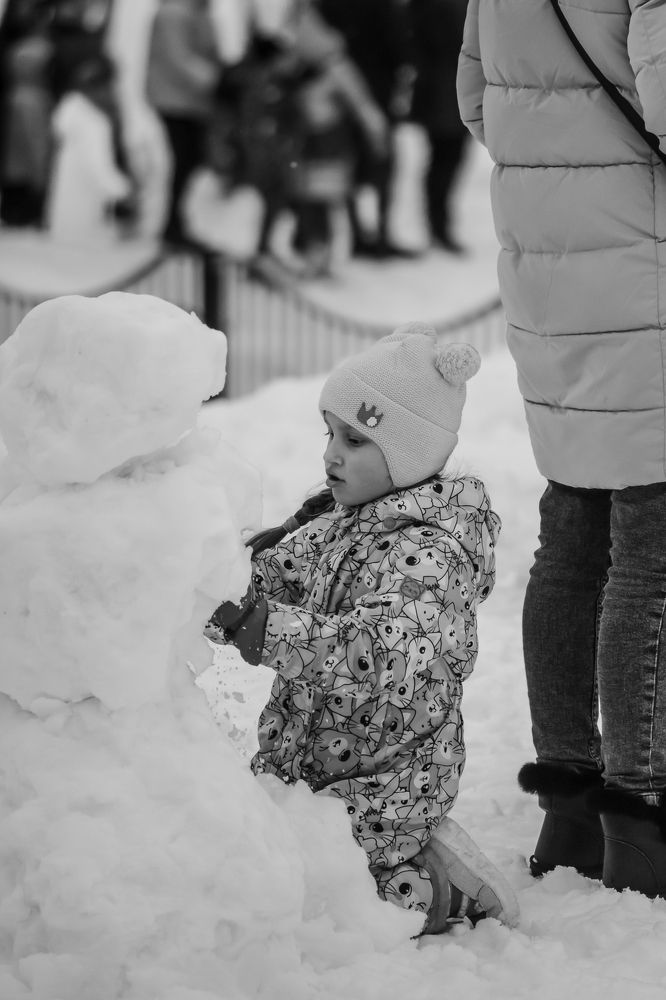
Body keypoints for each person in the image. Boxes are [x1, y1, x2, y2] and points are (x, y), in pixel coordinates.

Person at [204, 322, 519, 934]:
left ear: (408, 455)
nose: (331, 454)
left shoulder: (432, 557)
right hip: (304, 760)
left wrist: (260, 628)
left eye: (354, 440)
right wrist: (214, 581)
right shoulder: (338, 522)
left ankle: (442, 886)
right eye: (330, 433)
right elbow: (275, 578)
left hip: (384, 788)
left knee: (332, 900)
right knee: (250, 864)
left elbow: (374, 652)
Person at [457, 0, 666, 898]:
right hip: (643, 258)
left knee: (574, 528)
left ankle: (570, 808)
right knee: (652, 546)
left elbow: (476, 96)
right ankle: (643, 815)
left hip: (550, 261)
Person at [145, 0, 222, 245]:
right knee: (184, 160)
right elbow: (178, 57)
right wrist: (215, 79)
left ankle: (179, 221)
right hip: (175, 100)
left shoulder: (199, 13)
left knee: (190, 161)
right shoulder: (174, 13)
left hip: (194, 101)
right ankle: (173, 223)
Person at [409, 0, 470, 255]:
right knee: (445, 162)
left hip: (445, 91)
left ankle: (438, 225)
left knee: (444, 161)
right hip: (446, 93)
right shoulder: (445, 6)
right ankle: (438, 226)